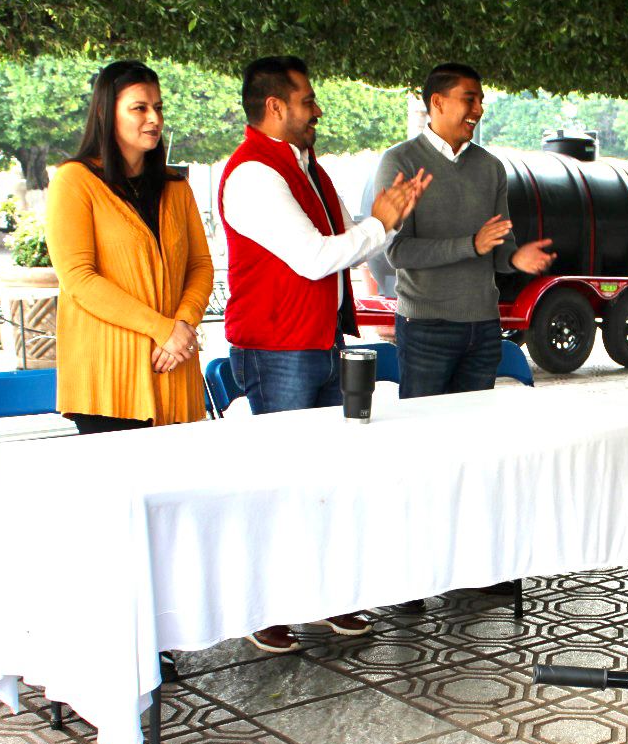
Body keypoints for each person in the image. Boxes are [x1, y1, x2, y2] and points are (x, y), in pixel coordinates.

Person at [219, 55, 429, 651]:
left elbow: (342, 243)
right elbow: (315, 257)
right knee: (282, 482)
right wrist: (379, 224)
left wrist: (386, 221)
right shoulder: (253, 174)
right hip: (276, 347)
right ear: (275, 107)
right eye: (307, 100)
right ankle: (265, 605)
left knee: (325, 477)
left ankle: (324, 596)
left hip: (318, 339)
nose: (317, 110)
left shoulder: (305, 167)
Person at [47, 60, 214, 436]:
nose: (154, 118)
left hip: (174, 365)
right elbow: (78, 278)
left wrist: (182, 326)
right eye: (139, 108)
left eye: (158, 107)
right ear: (106, 113)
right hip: (109, 378)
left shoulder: (175, 186)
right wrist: (162, 329)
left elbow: (200, 265)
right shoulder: (75, 181)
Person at [373, 63, 555, 398]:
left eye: (481, 101)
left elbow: (499, 249)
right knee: (425, 425)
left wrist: (515, 258)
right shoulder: (400, 161)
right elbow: (398, 252)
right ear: (438, 102)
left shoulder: (491, 167)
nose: (479, 109)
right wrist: (471, 244)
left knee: (474, 427)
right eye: (469, 99)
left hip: (484, 328)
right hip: (426, 328)